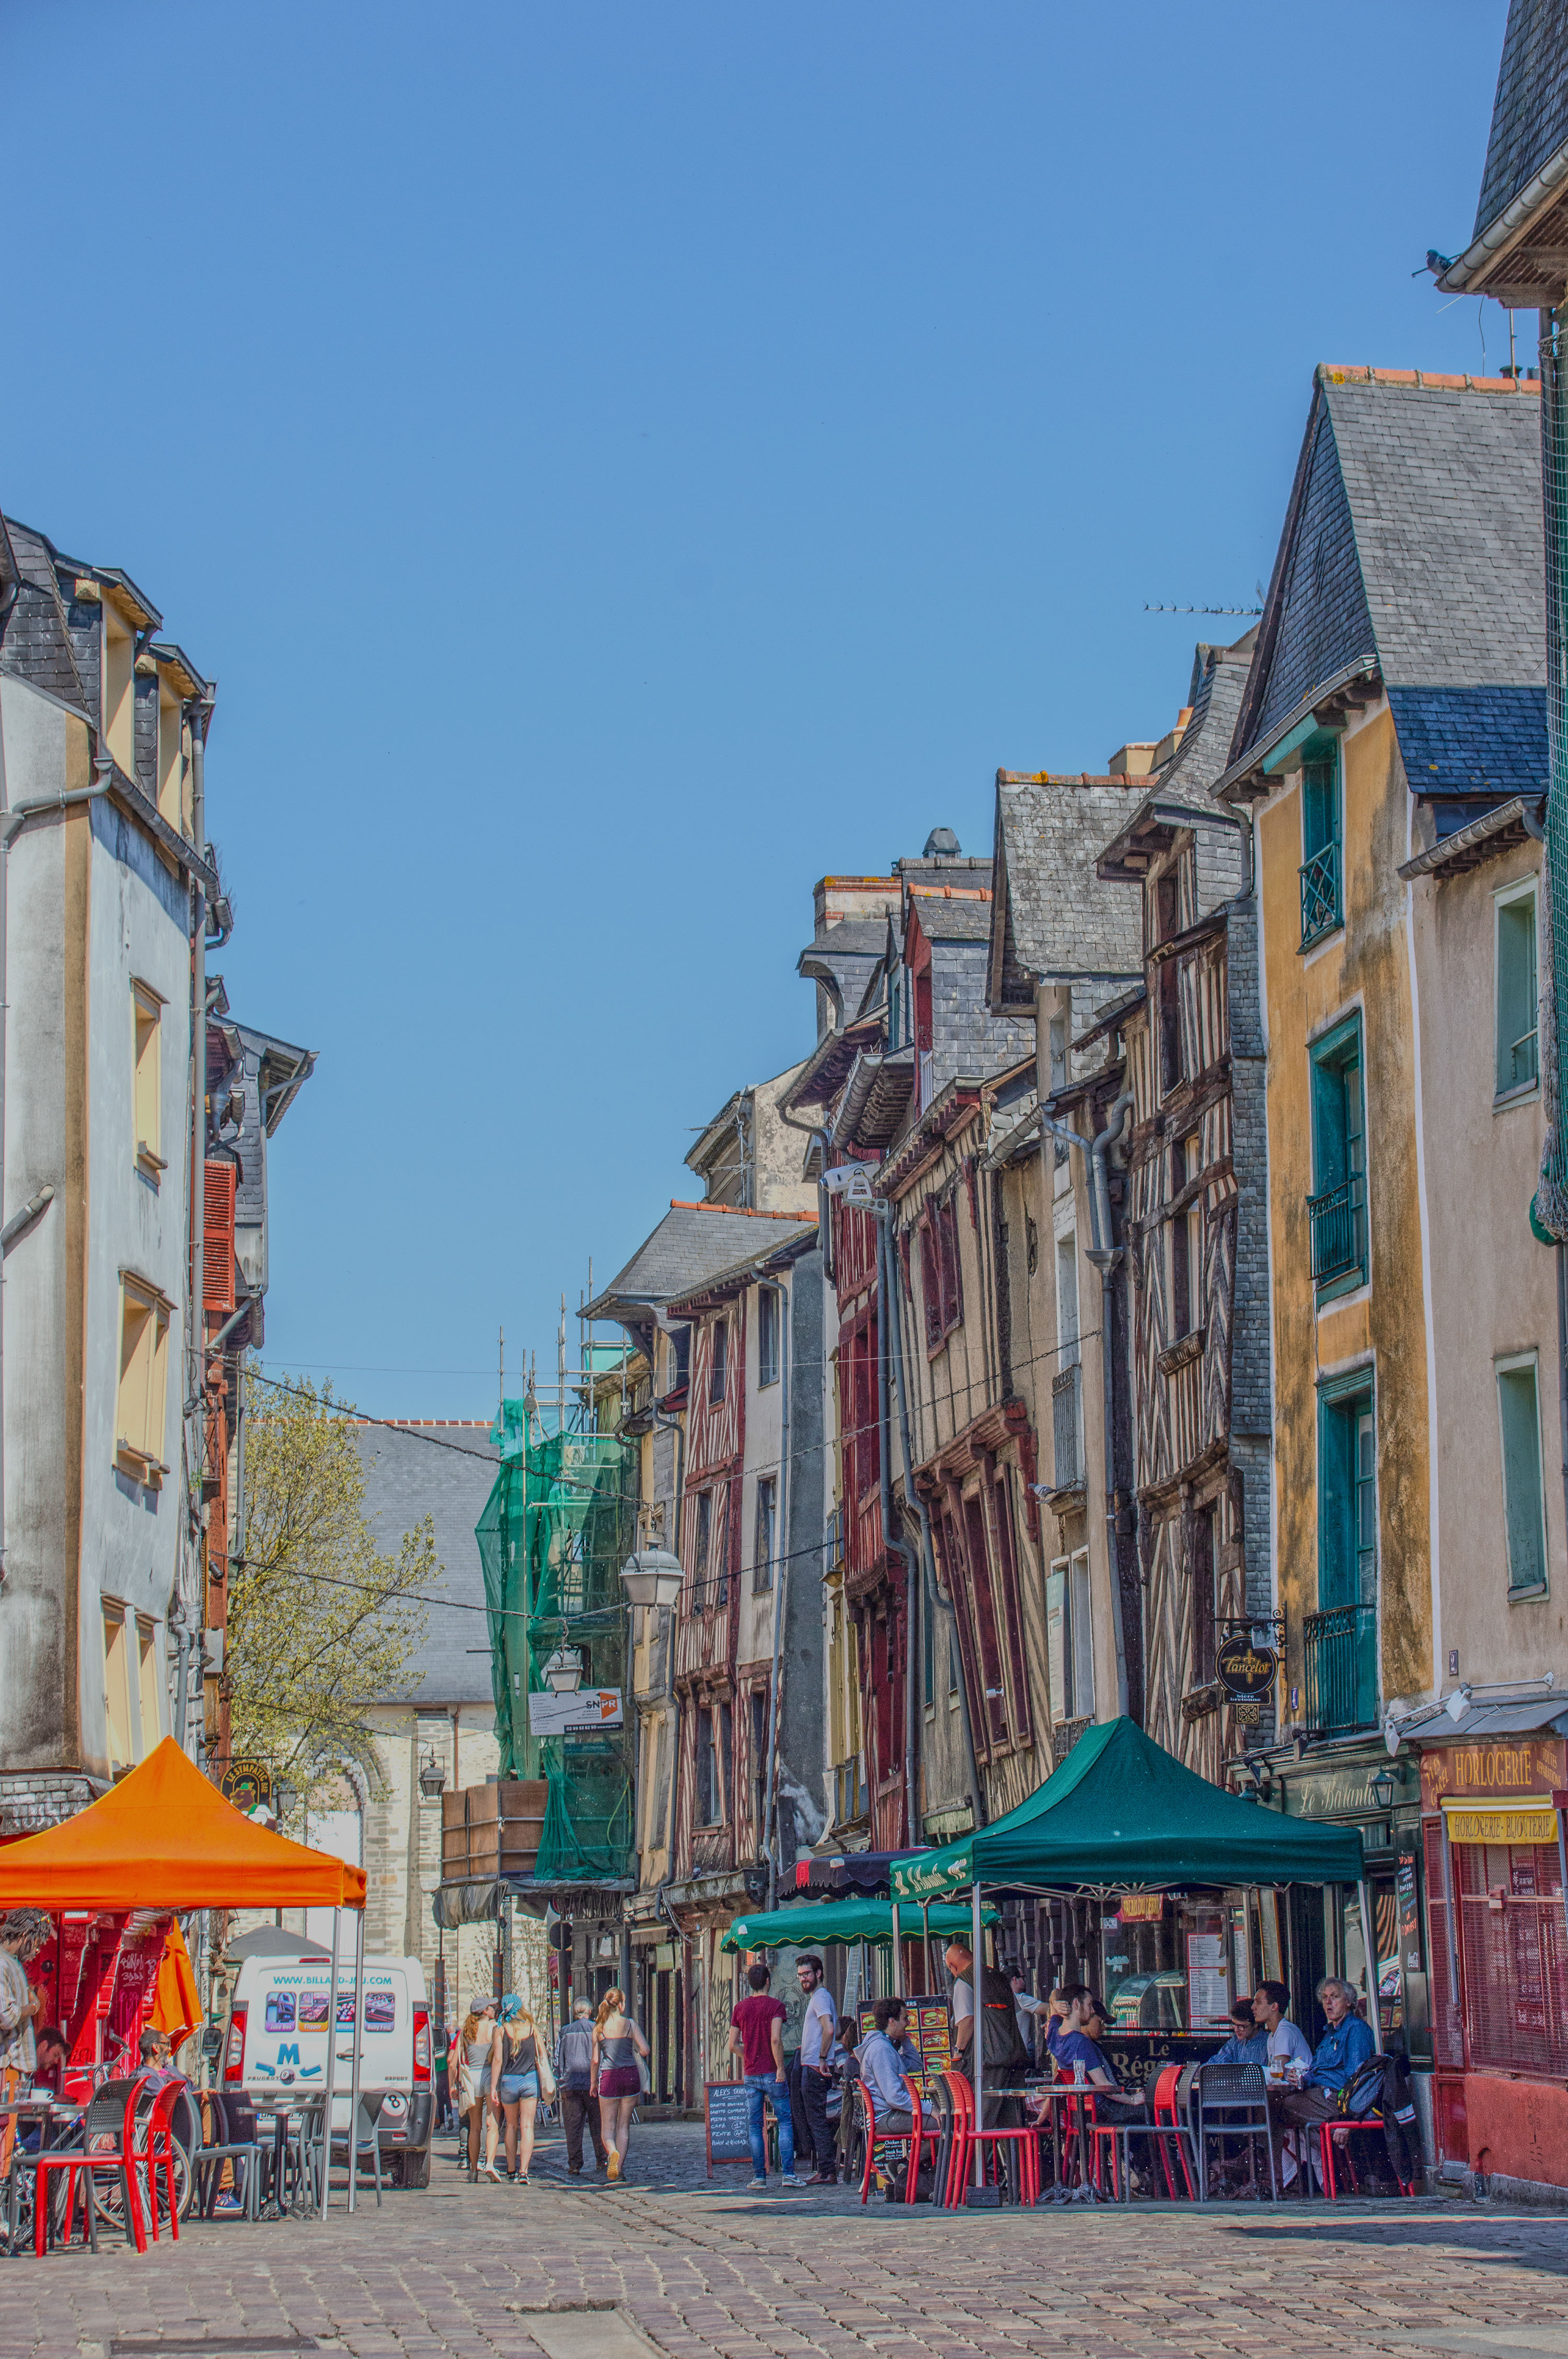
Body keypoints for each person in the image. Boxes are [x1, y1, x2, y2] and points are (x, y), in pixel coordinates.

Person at [1275, 1977, 1377, 2177]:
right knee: (1273, 2109)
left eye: (1335, 1997)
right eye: (1325, 1998)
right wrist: (1301, 2079)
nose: (1328, 2003)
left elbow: (1359, 2078)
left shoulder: (1355, 2029)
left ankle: (1281, 2176)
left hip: (1338, 2100)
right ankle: (1305, 2171)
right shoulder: (1330, 2033)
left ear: (1349, 2002)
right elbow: (1316, 2072)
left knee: (1274, 2107)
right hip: (1320, 2095)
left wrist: (1347, 2119)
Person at [729, 1962, 802, 2191]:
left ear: (751, 1984)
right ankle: (789, 2174)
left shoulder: (740, 2008)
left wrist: (748, 2056)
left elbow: (732, 2045)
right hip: (772, 2072)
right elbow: (776, 2040)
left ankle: (759, 2176)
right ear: (769, 1982)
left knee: (754, 2126)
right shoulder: (776, 2006)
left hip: (751, 2074)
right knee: (785, 2121)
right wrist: (780, 2067)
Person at [944, 1938, 1029, 2121]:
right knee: (1013, 2123)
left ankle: (978, 2151)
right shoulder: (997, 1976)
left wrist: (958, 2052)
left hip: (987, 2062)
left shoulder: (964, 1981)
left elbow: (967, 2021)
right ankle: (1013, 2151)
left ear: (953, 1966)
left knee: (982, 2122)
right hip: (1014, 2056)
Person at [0, 1909, 51, 2186]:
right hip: (7, 2066)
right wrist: (33, 2007)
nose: (38, 1949)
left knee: (7, 2143)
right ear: (24, 1936)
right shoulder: (3, 1964)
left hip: (12, 2068)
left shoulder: (11, 1964)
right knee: (4, 2142)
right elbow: (6, 2016)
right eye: (37, 1941)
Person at [591, 1988, 650, 2184]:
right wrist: (631, 2051)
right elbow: (645, 2050)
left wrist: (593, 2083)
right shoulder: (630, 2024)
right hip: (630, 2076)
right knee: (624, 2125)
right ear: (622, 2005)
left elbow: (595, 2060)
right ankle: (620, 2170)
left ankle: (612, 2153)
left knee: (607, 2128)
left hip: (609, 2078)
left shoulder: (598, 2028)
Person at [789, 1955, 839, 2184]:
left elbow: (829, 2030)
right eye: (800, 1975)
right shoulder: (822, 1997)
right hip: (814, 2065)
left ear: (818, 1973)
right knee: (817, 2119)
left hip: (814, 2068)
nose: (803, 1979)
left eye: (807, 1974)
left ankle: (826, 2171)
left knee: (816, 2120)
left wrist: (821, 2057)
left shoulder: (819, 1997)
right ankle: (827, 2170)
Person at [485, 1994, 544, 2184]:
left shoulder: (502, 2030)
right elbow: (542, 2055)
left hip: (509, 2081)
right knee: (527, 2127)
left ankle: (511, 2170)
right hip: (530, 2080)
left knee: (511, 2126)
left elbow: (498, 2060)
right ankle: (524, 2172)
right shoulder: (532, 2028)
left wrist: (493, 2087)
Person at [555, 1999, 608, 2176]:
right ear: (590, 2011)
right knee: (598, 2123)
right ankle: (602, 2159)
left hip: (570, 2083)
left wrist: (561, 2079)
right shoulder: (596, 2028)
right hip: (593, 2083)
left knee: (573, 2127)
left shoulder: (565, 2031)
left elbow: (557, 2059)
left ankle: (575, 2164)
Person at [857, 1997, 920, 2138]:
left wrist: (904, 2039)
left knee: (943, 2121)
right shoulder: (882, 2049)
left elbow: (916, 2065)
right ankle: (913, 2160)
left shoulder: (887, 2046)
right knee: (945, 2122)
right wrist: (926, 2108)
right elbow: (894, 2097)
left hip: (888, 2115)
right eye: (905, 2019)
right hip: (886, 2118)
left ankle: (910, 2160)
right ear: (892, 2022)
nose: (908, 2023)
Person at [457, 2000, 495, 2181]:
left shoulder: (466, 2031)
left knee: (475, 2126)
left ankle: (473, 2170)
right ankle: (489, 2164)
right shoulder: (493, 2027)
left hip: (472, 2076)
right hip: (489, 2073)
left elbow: (456, 2059)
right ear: (485, 2012)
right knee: (491, 2123)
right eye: (491, 2007)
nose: (494, 2009)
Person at [1252, 1980, 1313, 2076]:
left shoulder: (1284, 2031)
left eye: (1258, 2002)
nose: (1253, 2007)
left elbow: (1276, 2076)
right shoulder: (1272, 2035)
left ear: (1274, 2006)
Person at [1211, 1999, 1268, 2067]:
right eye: (1234, 2025)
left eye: (1241, 2026)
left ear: (1255, 2024)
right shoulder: (1235, 2041)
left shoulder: (1267, 2044)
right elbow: (1219, 2059)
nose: (1236, 2030)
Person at [1009, 1969, 1049, 2064]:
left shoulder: (1004, 1999)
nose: (1025, 1981)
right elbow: (1048, 2009)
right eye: (1023, 1978)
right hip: (1020, 2053)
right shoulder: (1021, 1999)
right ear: (1015, 1980)